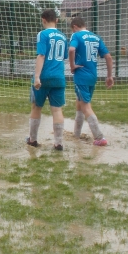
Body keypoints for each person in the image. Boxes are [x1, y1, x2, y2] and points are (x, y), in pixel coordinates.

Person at [69, 16, 114, 146]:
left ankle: (99, 137)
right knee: (79, 103)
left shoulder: (76, 36)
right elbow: (108, 57)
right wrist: (109, 76)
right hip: (92, 76)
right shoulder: (96, 37)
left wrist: (72, 66)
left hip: (81, 75)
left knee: (86, 106)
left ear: (75, 27)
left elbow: (71, 50)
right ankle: (76, 135)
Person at [27, 8, 68, 150]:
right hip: (59, 76)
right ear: (56, 20)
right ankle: (58, 142)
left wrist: (37, 76)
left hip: (44, 76)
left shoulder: (42, 34)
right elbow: (63, 58)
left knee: (36, 106)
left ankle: (32, 140)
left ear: (43, 20)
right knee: (57, 110)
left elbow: (41, 55)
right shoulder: (63, 36)